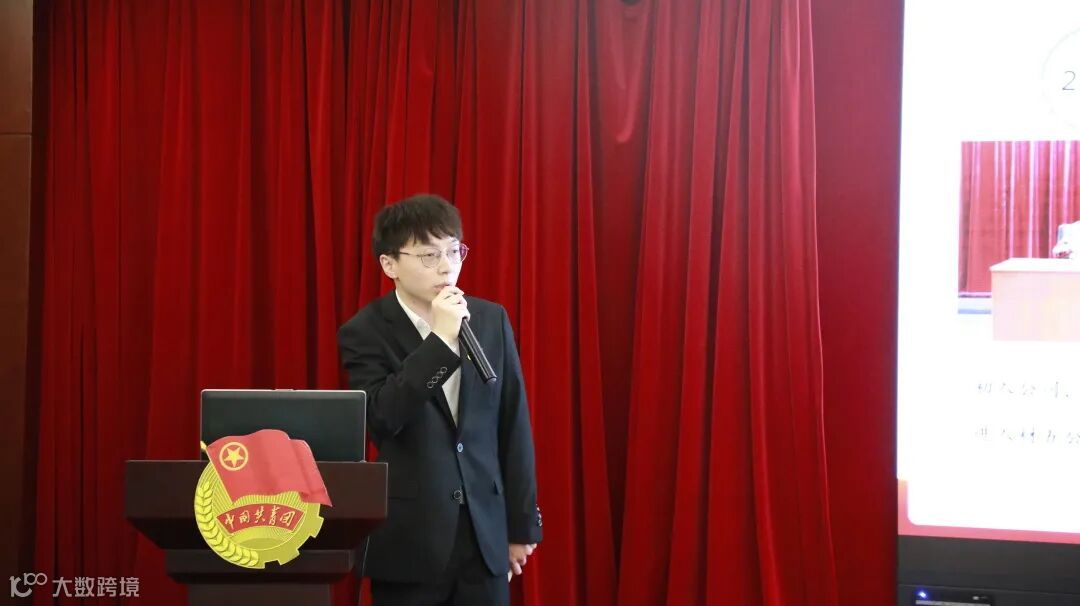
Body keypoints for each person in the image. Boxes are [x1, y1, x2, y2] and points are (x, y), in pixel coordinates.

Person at [337, 194, 542, 606]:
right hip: (411, 541)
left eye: (453, 251)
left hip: (484, 536)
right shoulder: (364, 331)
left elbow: (513, 422)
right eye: (429, 255)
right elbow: (382, 417)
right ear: (390, 265)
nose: (447, 266)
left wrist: (521, 526)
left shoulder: (490, 319)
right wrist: (442, 342)